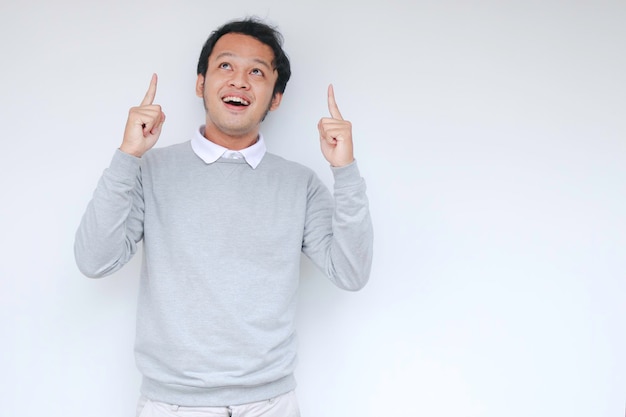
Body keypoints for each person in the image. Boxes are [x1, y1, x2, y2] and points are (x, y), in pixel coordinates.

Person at [74, 17, 373, 417]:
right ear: (201, 83)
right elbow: (94, 260)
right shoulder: (151, 171)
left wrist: (345, 169)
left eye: (257, 72)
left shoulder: (299, 183)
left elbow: (351, 273)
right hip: (173, 404)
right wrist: (127, 155)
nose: (239, 81)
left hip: (271, 404)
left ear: (276, 97)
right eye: (226, 66)